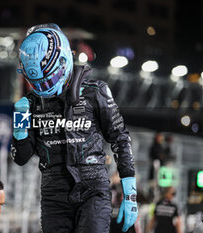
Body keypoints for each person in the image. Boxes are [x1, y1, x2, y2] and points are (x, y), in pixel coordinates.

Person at [11, 23, 138, 233]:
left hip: (93, 189)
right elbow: (21, 157)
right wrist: (20, 128)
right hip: (54, 195)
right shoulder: (29, 104)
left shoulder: (96, 92)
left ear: (63, 61)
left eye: (47, 79)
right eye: (37, 83)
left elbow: (120, 138)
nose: (43, 88)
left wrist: (130, 191)